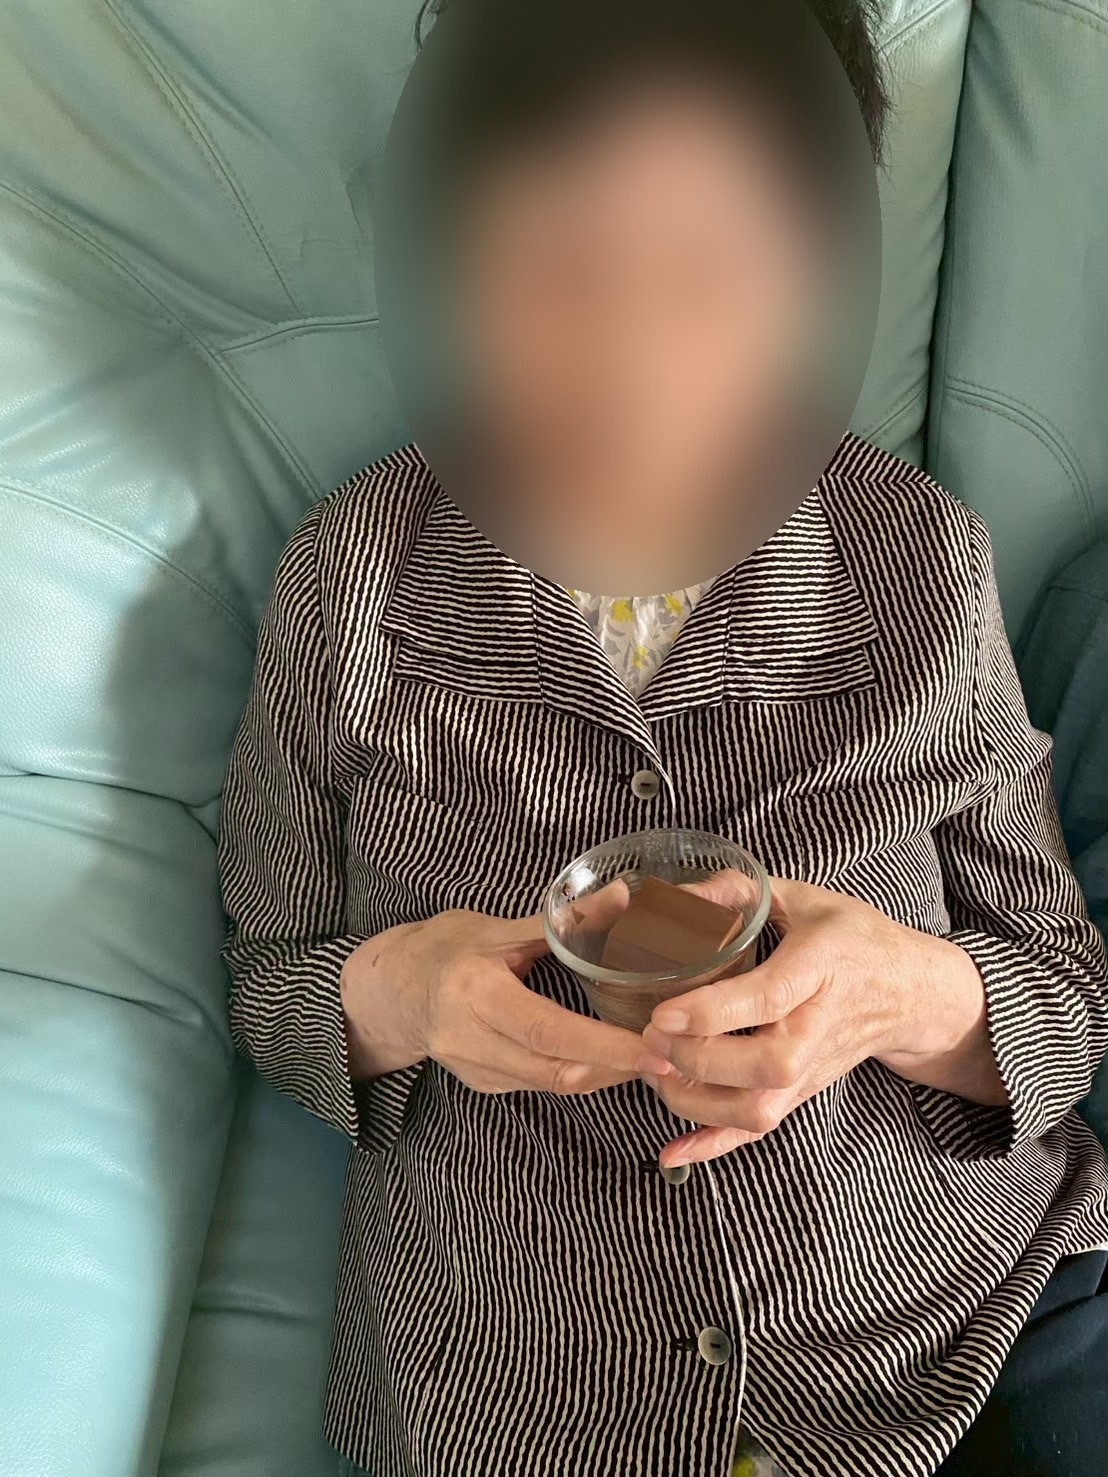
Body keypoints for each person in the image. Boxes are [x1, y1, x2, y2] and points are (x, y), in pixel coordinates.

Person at [216, 3, 1108, 1475]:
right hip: (523, 1398)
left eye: (710, 275)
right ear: (452, 265)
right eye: (554, 268)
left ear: (815, 282)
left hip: (962, 1336)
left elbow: (1066, 998)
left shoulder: (916, 561)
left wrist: (899, 995)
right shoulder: (352, 578)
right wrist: (410, 992)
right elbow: (268, 978)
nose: (631, 365)